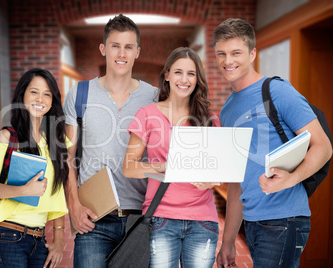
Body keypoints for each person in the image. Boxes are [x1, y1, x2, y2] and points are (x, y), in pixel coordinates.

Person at [213, 18, 332, 268]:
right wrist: (228, 239)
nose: (228, 61)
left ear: (253, 53)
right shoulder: (227, 110)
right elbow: (237, 180)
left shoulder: (277, 91)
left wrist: (290, 178)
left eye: (236, 52)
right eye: (221, 53)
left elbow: (323, 147)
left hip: (285, 218)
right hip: (253, 221)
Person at [63, 14, 157, 267]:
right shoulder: (79, 94)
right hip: (93, 216)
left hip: (140, 218)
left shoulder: (155, 97)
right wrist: (73, 206)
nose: (122, 53)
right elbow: (67, 158)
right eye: (115, 45)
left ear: (137, 52)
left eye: (128, 47)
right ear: (103, 49)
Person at [123, 47, 220, 268]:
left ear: (198, 79)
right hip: (161, 217)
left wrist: (212, 179)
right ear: (167, 75)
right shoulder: (147, 114)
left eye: (191, 73)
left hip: (203, 219)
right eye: (178, 72)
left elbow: (216, 169)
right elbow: (129, 167)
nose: (184, 79)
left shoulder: (210, 118)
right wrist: (166, 166)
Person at [0, 68, 71, 268]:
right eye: (34, 92)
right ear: (22, 95)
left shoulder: (55, 141)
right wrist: (23, 191)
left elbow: (58, 193)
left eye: (47, 94)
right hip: (6, 236)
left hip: (38, 239)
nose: (40, 99)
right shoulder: (7, 137)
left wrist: (60, 239)